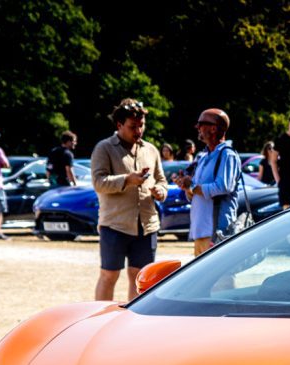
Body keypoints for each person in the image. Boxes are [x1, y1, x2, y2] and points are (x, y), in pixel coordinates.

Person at [90, 99, 168, 301]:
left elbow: (162, 180)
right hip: (115, 224)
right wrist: (127, 180)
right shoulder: (104, 148)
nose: (139, 130)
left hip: (147, 225)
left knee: (141, 278)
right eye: (133, 126)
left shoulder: (150, 150)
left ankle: (133, 323)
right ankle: (101, 319)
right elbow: (99, 182)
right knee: (109, 275)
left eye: (141, 125)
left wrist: (160, 191)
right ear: (119, 125)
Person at [173, 108, 241, 257]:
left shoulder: (227, 154)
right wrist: (186, 187)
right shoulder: (203, 157)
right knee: (206, 279)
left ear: (214, 128)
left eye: (201, 124)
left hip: (217, 230)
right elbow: (196, 192)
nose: (197, 127)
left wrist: (192, 186)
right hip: (200, 229)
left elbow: (224, 186)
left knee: (223, 278)